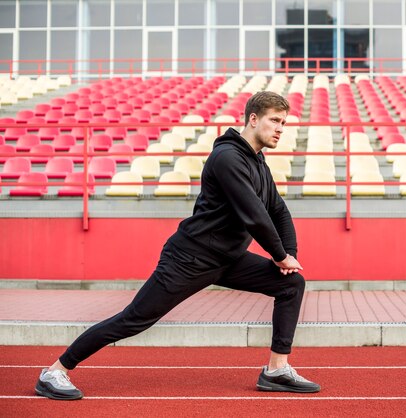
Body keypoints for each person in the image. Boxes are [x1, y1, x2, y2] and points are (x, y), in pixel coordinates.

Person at [35, 91, 321, 400]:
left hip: (228, 258)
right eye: (275, 121)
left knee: (291, 284)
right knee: (134, 319)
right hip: (190, 258)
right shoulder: (226, 158)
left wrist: (290, 255)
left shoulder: (259, 164)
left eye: (284, 122)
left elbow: (276, 209)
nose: (281, 128)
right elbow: (254, 216)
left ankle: (276, 370)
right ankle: (55, 370)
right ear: (253, 119)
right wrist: (279, 255)